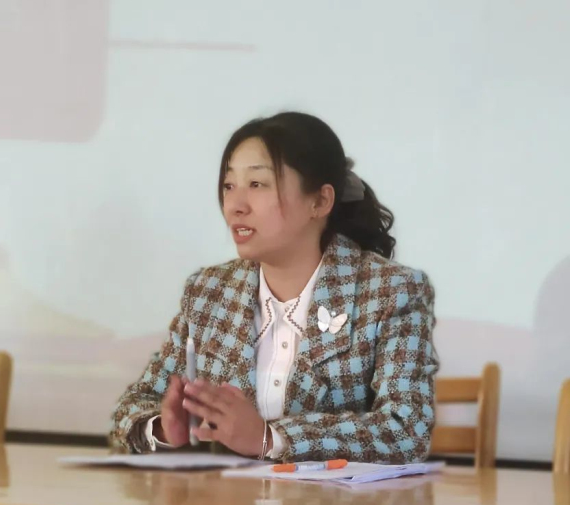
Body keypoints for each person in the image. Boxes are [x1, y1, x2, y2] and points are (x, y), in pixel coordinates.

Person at [110, 111, 439, 463]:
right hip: (225, 498)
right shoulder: (209, 292)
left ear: (320, 201)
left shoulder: (391, 291)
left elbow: (406, 429)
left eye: (257, 184)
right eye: (229, 186)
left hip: (333, 500)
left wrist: (270, 439)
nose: (235, 206)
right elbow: (134, 404)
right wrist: (163, 429)